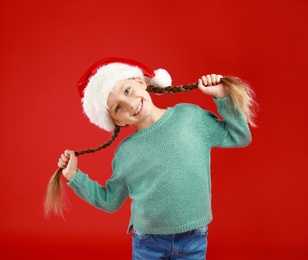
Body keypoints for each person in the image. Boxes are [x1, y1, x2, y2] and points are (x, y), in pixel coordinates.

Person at [45, 57, 256, 259]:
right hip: (148, 243)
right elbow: (110, 201)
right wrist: (75, 176)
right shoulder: (125, 153)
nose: (129, 104)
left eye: (127, 91)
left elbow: (238, 136)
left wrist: (223, 96)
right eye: (117, 107)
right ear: (116, 121)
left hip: (194, 238)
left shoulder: (190, 117)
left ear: (141, 82)